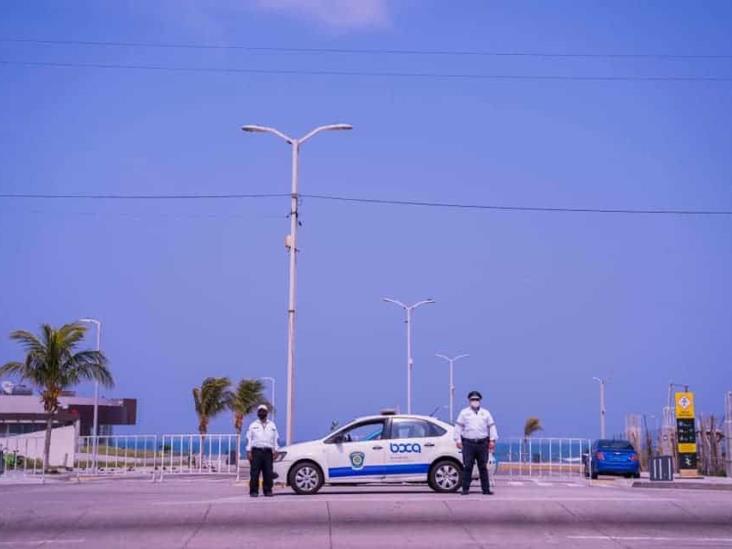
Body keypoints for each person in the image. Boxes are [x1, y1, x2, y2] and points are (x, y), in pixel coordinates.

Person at [454, 390, 498, 495]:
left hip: (482, 443)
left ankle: (486, 489)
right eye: (473, 399)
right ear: (469, 401)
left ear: (480, 400)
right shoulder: (464, 413)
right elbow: (458, 427)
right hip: (468, 443)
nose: (475, 401)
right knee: (467, 466)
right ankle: (465, 489)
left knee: (483, 466)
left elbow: (491, 427)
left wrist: (492, 440)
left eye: (477, 399)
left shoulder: (486, 413)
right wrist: (457, 440)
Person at [246, 404, 279, 497]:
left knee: (268, 472)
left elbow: (275, 438)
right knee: (254, 473)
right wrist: (249, 451)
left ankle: (268, 490)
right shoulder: (253, 425)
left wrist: (276, 450)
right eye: (260, 411)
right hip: (256, 451)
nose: (262, 413)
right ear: (257, 413)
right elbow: (249, 439)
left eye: (263, 411)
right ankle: (253, 491)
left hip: (268, 452)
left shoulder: (272, 425)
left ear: (267, 413)